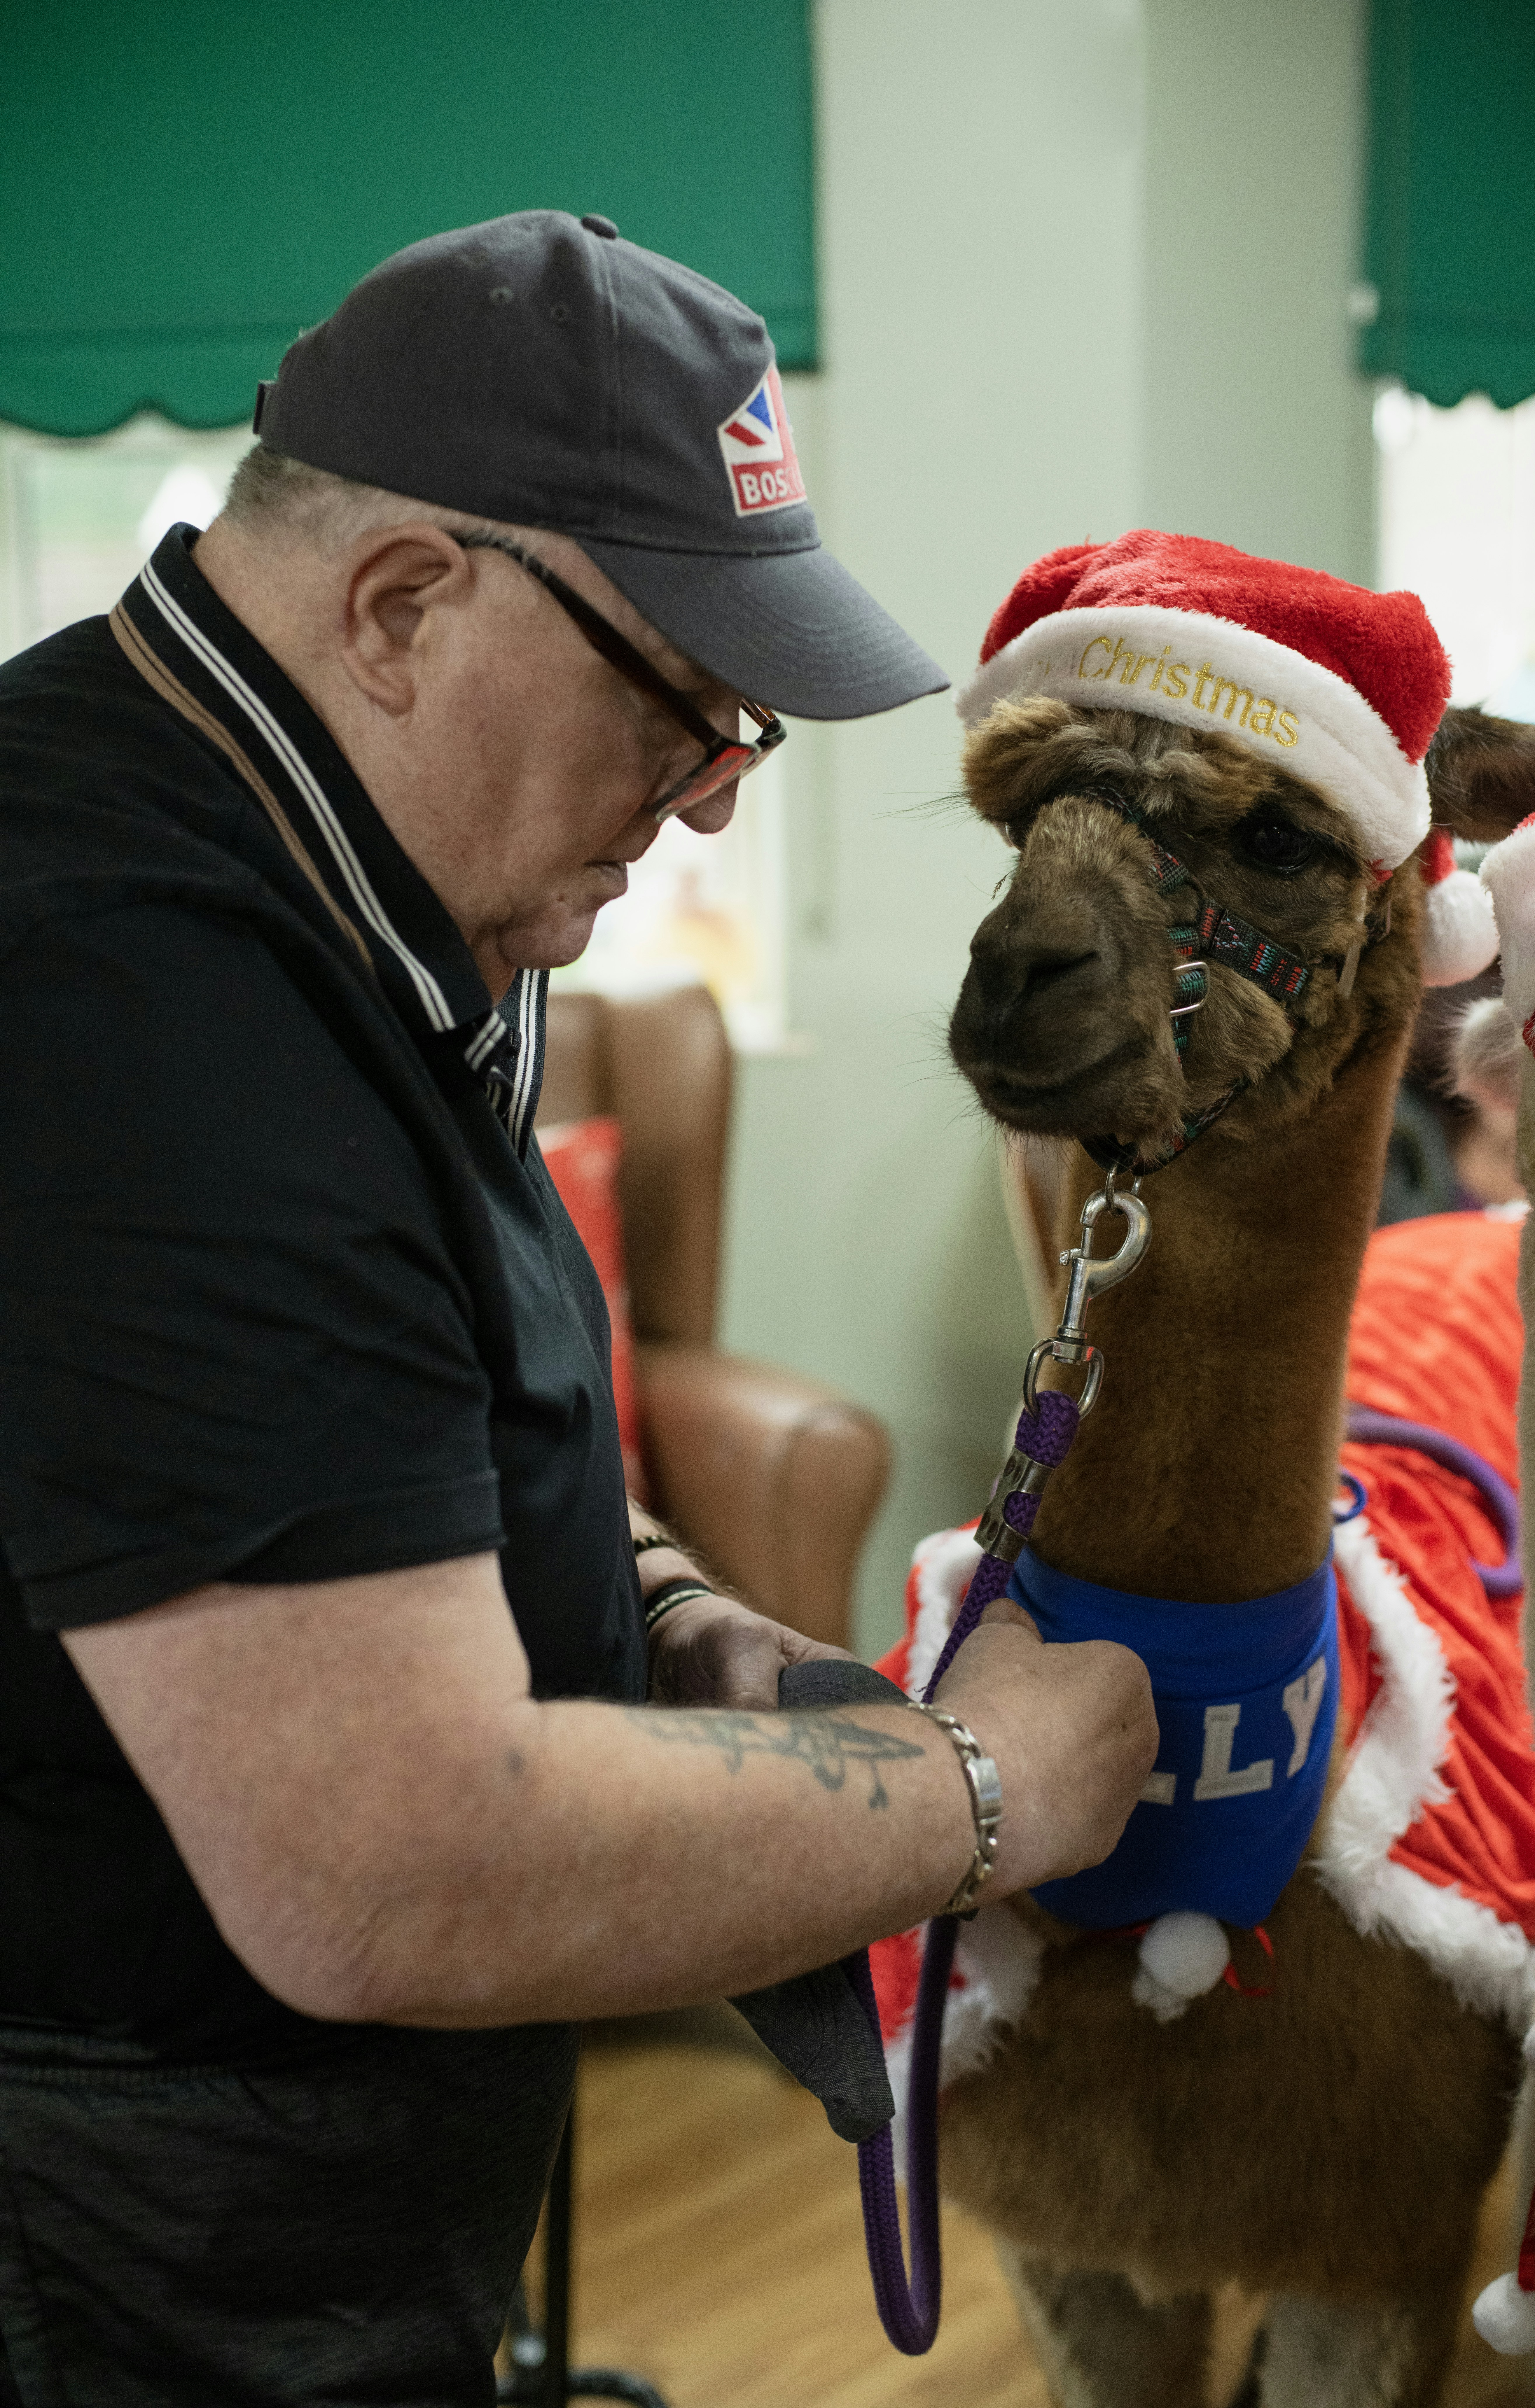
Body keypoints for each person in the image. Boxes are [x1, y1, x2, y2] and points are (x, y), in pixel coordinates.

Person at [0, 211, 1156, 2405]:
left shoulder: (338, 872)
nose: (726, 777)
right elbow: (387, 1868)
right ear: (404, 601)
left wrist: (669, 1617)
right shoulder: (140, 994)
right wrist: (988, 1783)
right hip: (122, 2259)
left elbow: (391, 1434)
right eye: (684, 694)